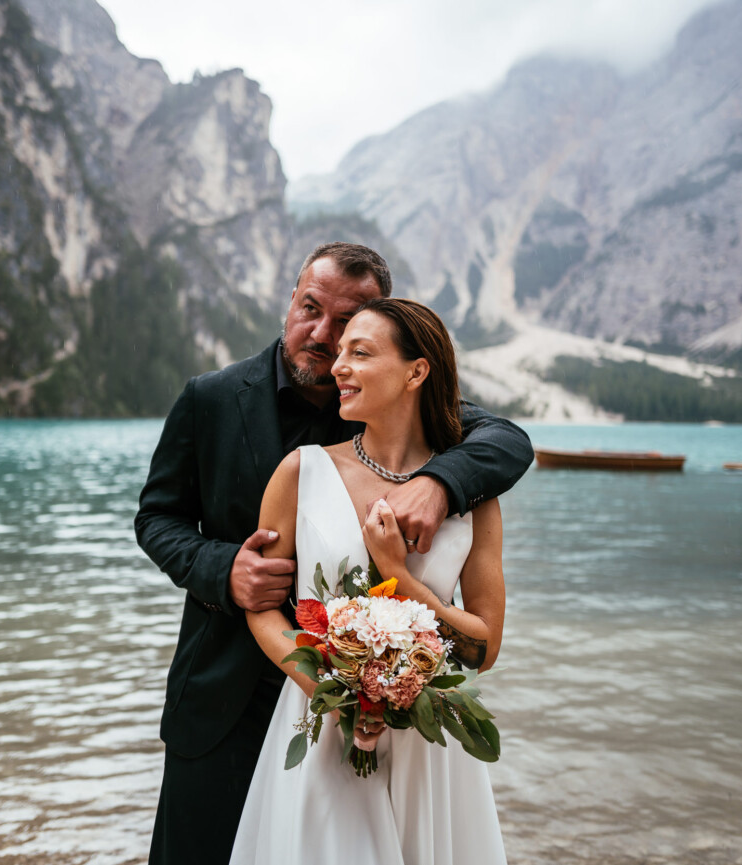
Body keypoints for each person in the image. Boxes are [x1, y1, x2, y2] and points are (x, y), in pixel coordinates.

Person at [135, 242, 532, 865]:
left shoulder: (390, 405)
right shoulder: (210, 398)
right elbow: (157, 517)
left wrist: (440, 483)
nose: (323, 337)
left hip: (393, 704)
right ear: (290, 301)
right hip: (225, 694)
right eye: (310, 309)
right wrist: (225, 569)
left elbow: (509, 442)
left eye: (349, 326)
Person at [229, 297, 509, 863]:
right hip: (323, 724)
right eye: (340, 355)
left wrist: (399, 577)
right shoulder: (301, 471)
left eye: (360, 353)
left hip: (428, 740)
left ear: (416, 371)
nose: (337, 367)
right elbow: (262, 608)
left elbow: (482, 647)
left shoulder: (473, 497)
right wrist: (332, 692)